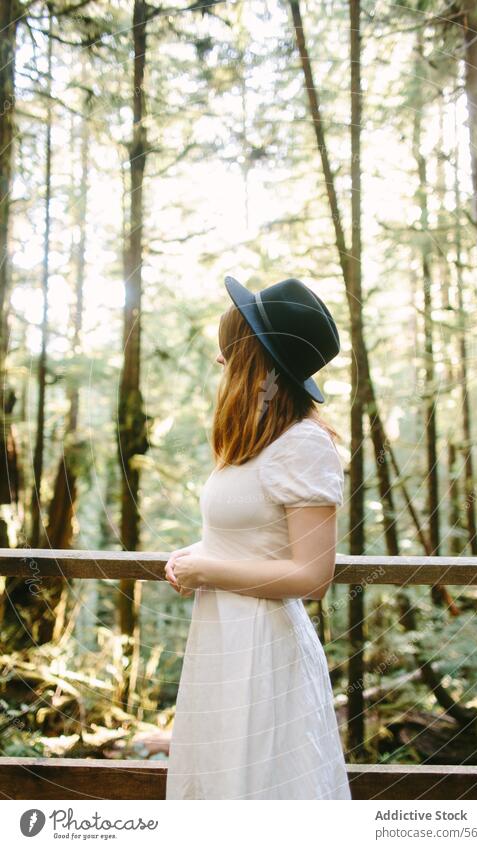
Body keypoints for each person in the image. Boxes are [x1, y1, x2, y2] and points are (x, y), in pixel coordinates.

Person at [164, 275, 351, 800]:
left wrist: (209, 570)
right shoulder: (255, 442)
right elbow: (253, 536)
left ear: (252, 360)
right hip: (222, 638)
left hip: (263, 649)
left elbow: (313, 576)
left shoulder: (305, 444)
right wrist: (198, 554)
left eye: (228, 350)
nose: (219, 361)